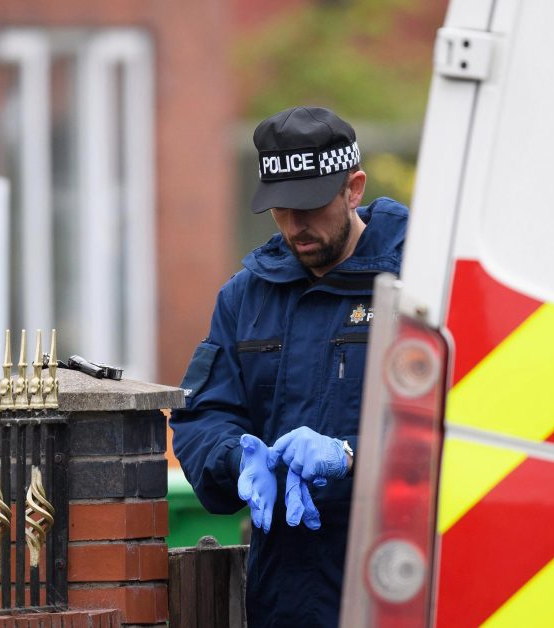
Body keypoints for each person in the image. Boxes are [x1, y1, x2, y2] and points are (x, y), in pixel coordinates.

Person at [170, 106, 408, 627]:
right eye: (281, 207)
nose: (296, 225)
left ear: (354, 188)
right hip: (287, 598)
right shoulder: (246, 297)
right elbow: (202, 416)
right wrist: (239, 459)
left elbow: (467, 424)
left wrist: (353, 456)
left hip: (400, 580)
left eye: (311, 205)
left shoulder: (418, 285)